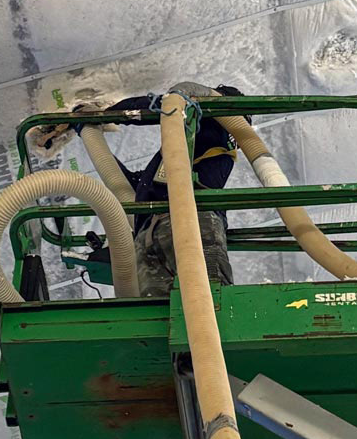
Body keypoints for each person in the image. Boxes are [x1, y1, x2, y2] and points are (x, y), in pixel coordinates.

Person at [52, 82, 242, 295]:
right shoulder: (199, 152)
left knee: (201, 298)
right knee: (191, 302)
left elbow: (166, 106)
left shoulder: (216, 117)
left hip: (185, 221)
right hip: (160, 227)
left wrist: (105, 114)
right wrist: (88, 129)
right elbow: (137, 184)